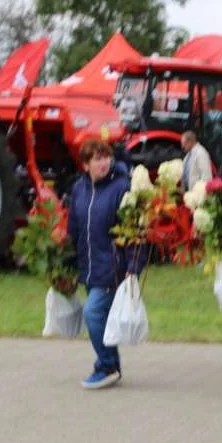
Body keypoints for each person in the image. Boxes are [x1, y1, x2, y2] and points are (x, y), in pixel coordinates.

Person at [67, 139, 146, 389]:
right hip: (89, 266)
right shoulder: (79, 189)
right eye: (97, 159)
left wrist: (133, 267)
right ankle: (110, 363)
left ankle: (107, 364)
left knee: (92, 313)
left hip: (113, 267)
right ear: (85, 164)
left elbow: (135, 231)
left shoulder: (122, 189)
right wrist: (65, 262)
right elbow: (74, 229)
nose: (103, 163)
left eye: (106, 157)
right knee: (99, 316)